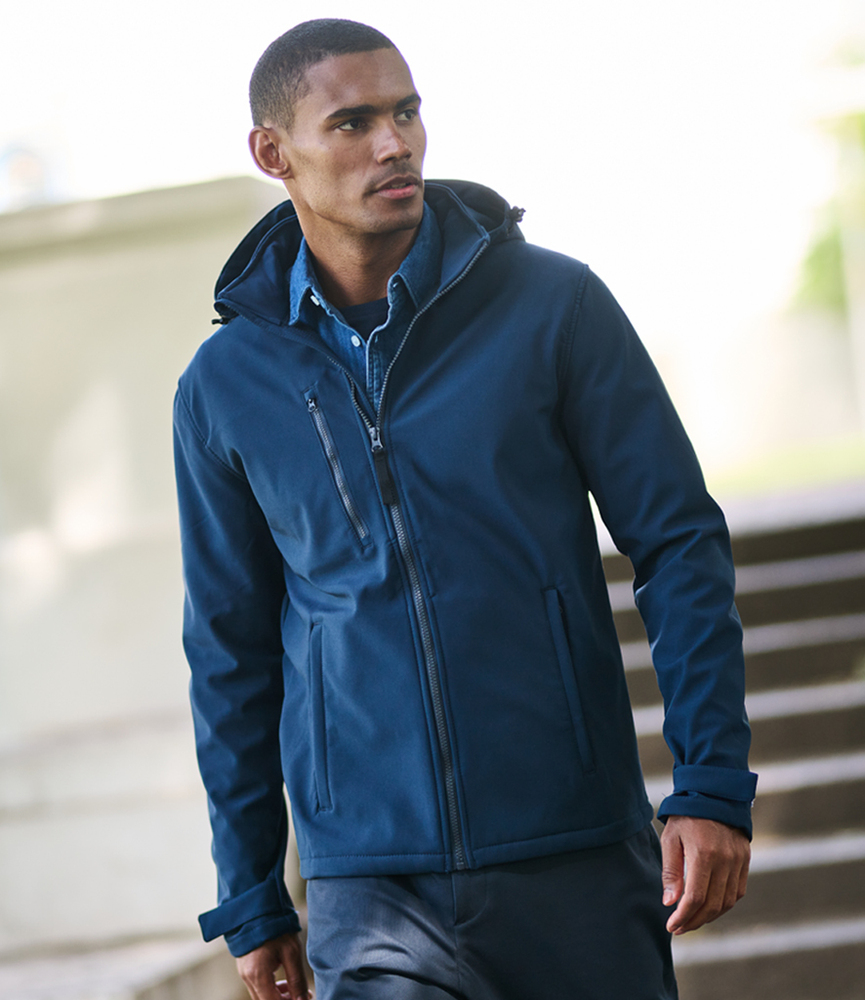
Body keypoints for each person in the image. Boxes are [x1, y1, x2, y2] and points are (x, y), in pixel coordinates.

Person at [173, 18, 757, 1000]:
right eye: (353, 123)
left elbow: (677, 543)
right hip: (370, 885)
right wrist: (250, 891)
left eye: (405, 113)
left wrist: (710, 781)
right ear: (274, 154)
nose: (394, 143)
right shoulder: (226, 384)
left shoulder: (552, 306)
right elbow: (229, 649)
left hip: (573, 852)